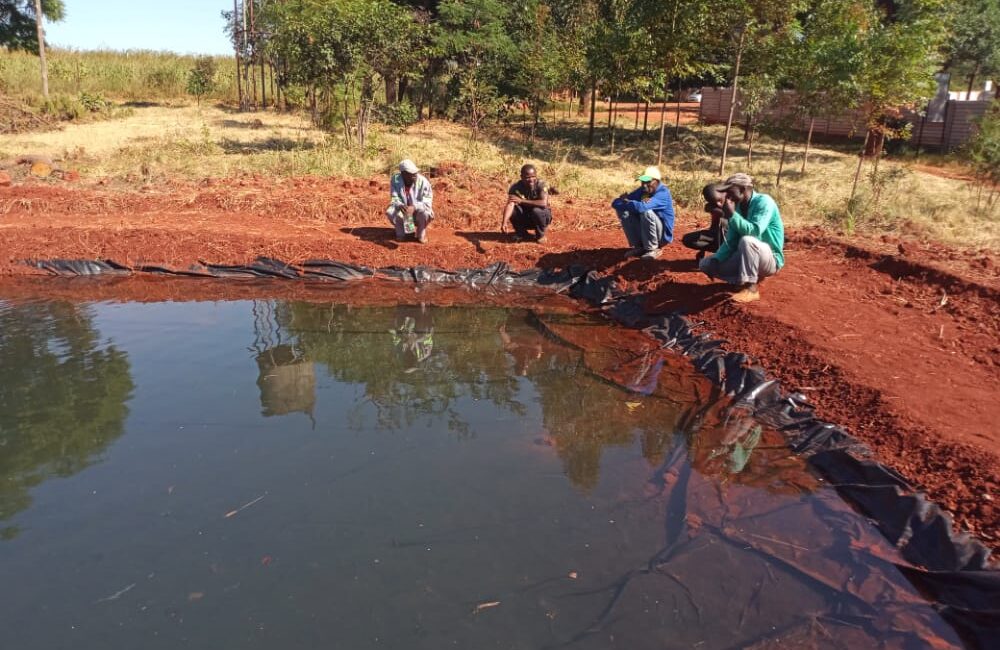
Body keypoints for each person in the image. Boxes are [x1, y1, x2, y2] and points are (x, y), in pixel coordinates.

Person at [698, 173, 784, 303]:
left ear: (743, 189)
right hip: (748, 254)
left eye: (730, 190)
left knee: (747, 240)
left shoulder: (764, 202)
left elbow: (754, 231)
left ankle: (751, 288)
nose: (727, 194)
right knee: (705, 264)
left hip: (770, 258)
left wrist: (732, 215)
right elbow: (731, 241)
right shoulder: (737, 207)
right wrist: (717, 258)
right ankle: (741, 280)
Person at [611, 165, 675, 260]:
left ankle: (653, 249)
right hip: (647, 231)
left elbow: (641, 207)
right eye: (643, 182)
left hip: (661, 237)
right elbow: (615, 203)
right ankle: (639, 247)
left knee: (646, 212)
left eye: (648, 182)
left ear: (656, 181)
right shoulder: (643, 191)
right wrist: (629, 203)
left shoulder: (663, 193)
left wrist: (628, 202)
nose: (644, 185)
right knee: (623, 211)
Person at [502, 163, 552, 243]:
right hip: (525, 217)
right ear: (521, 177)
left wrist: (521, 201)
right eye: (527, 177)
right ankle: (521, 233)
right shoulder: (515, 187)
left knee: (537, 211)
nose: (531, 179)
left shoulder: (541, 185)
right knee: (513, 210)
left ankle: (540, 235)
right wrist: (504, 222)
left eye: (533, 176)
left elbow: (543, 203)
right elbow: (510, 204)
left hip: (541, 217)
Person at [387, 159, 433, 243]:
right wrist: (400, 205)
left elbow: (427, 202)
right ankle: (404, 233)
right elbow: (394, 197)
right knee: (391, 211)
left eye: (415, 173)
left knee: (425, 212)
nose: (415, 175)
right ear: (403, 174)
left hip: (418, 212)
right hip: (404, 212)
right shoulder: (396, 179)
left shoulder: (423, 182)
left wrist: (414, 207)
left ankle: (420, 234)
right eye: (411, 174)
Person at [681, 183, 728, 260]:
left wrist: (722, 214)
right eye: (715, 202)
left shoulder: (735, 201)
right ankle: (721, 252)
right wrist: (702, 250)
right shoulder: (715, 207)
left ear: (723, 194)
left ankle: (725, 257)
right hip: (719, 238)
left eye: (719, 200)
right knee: (688, 239)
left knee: (724, 223)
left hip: (734, 240)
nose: (718, 204)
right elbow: (713, 228)